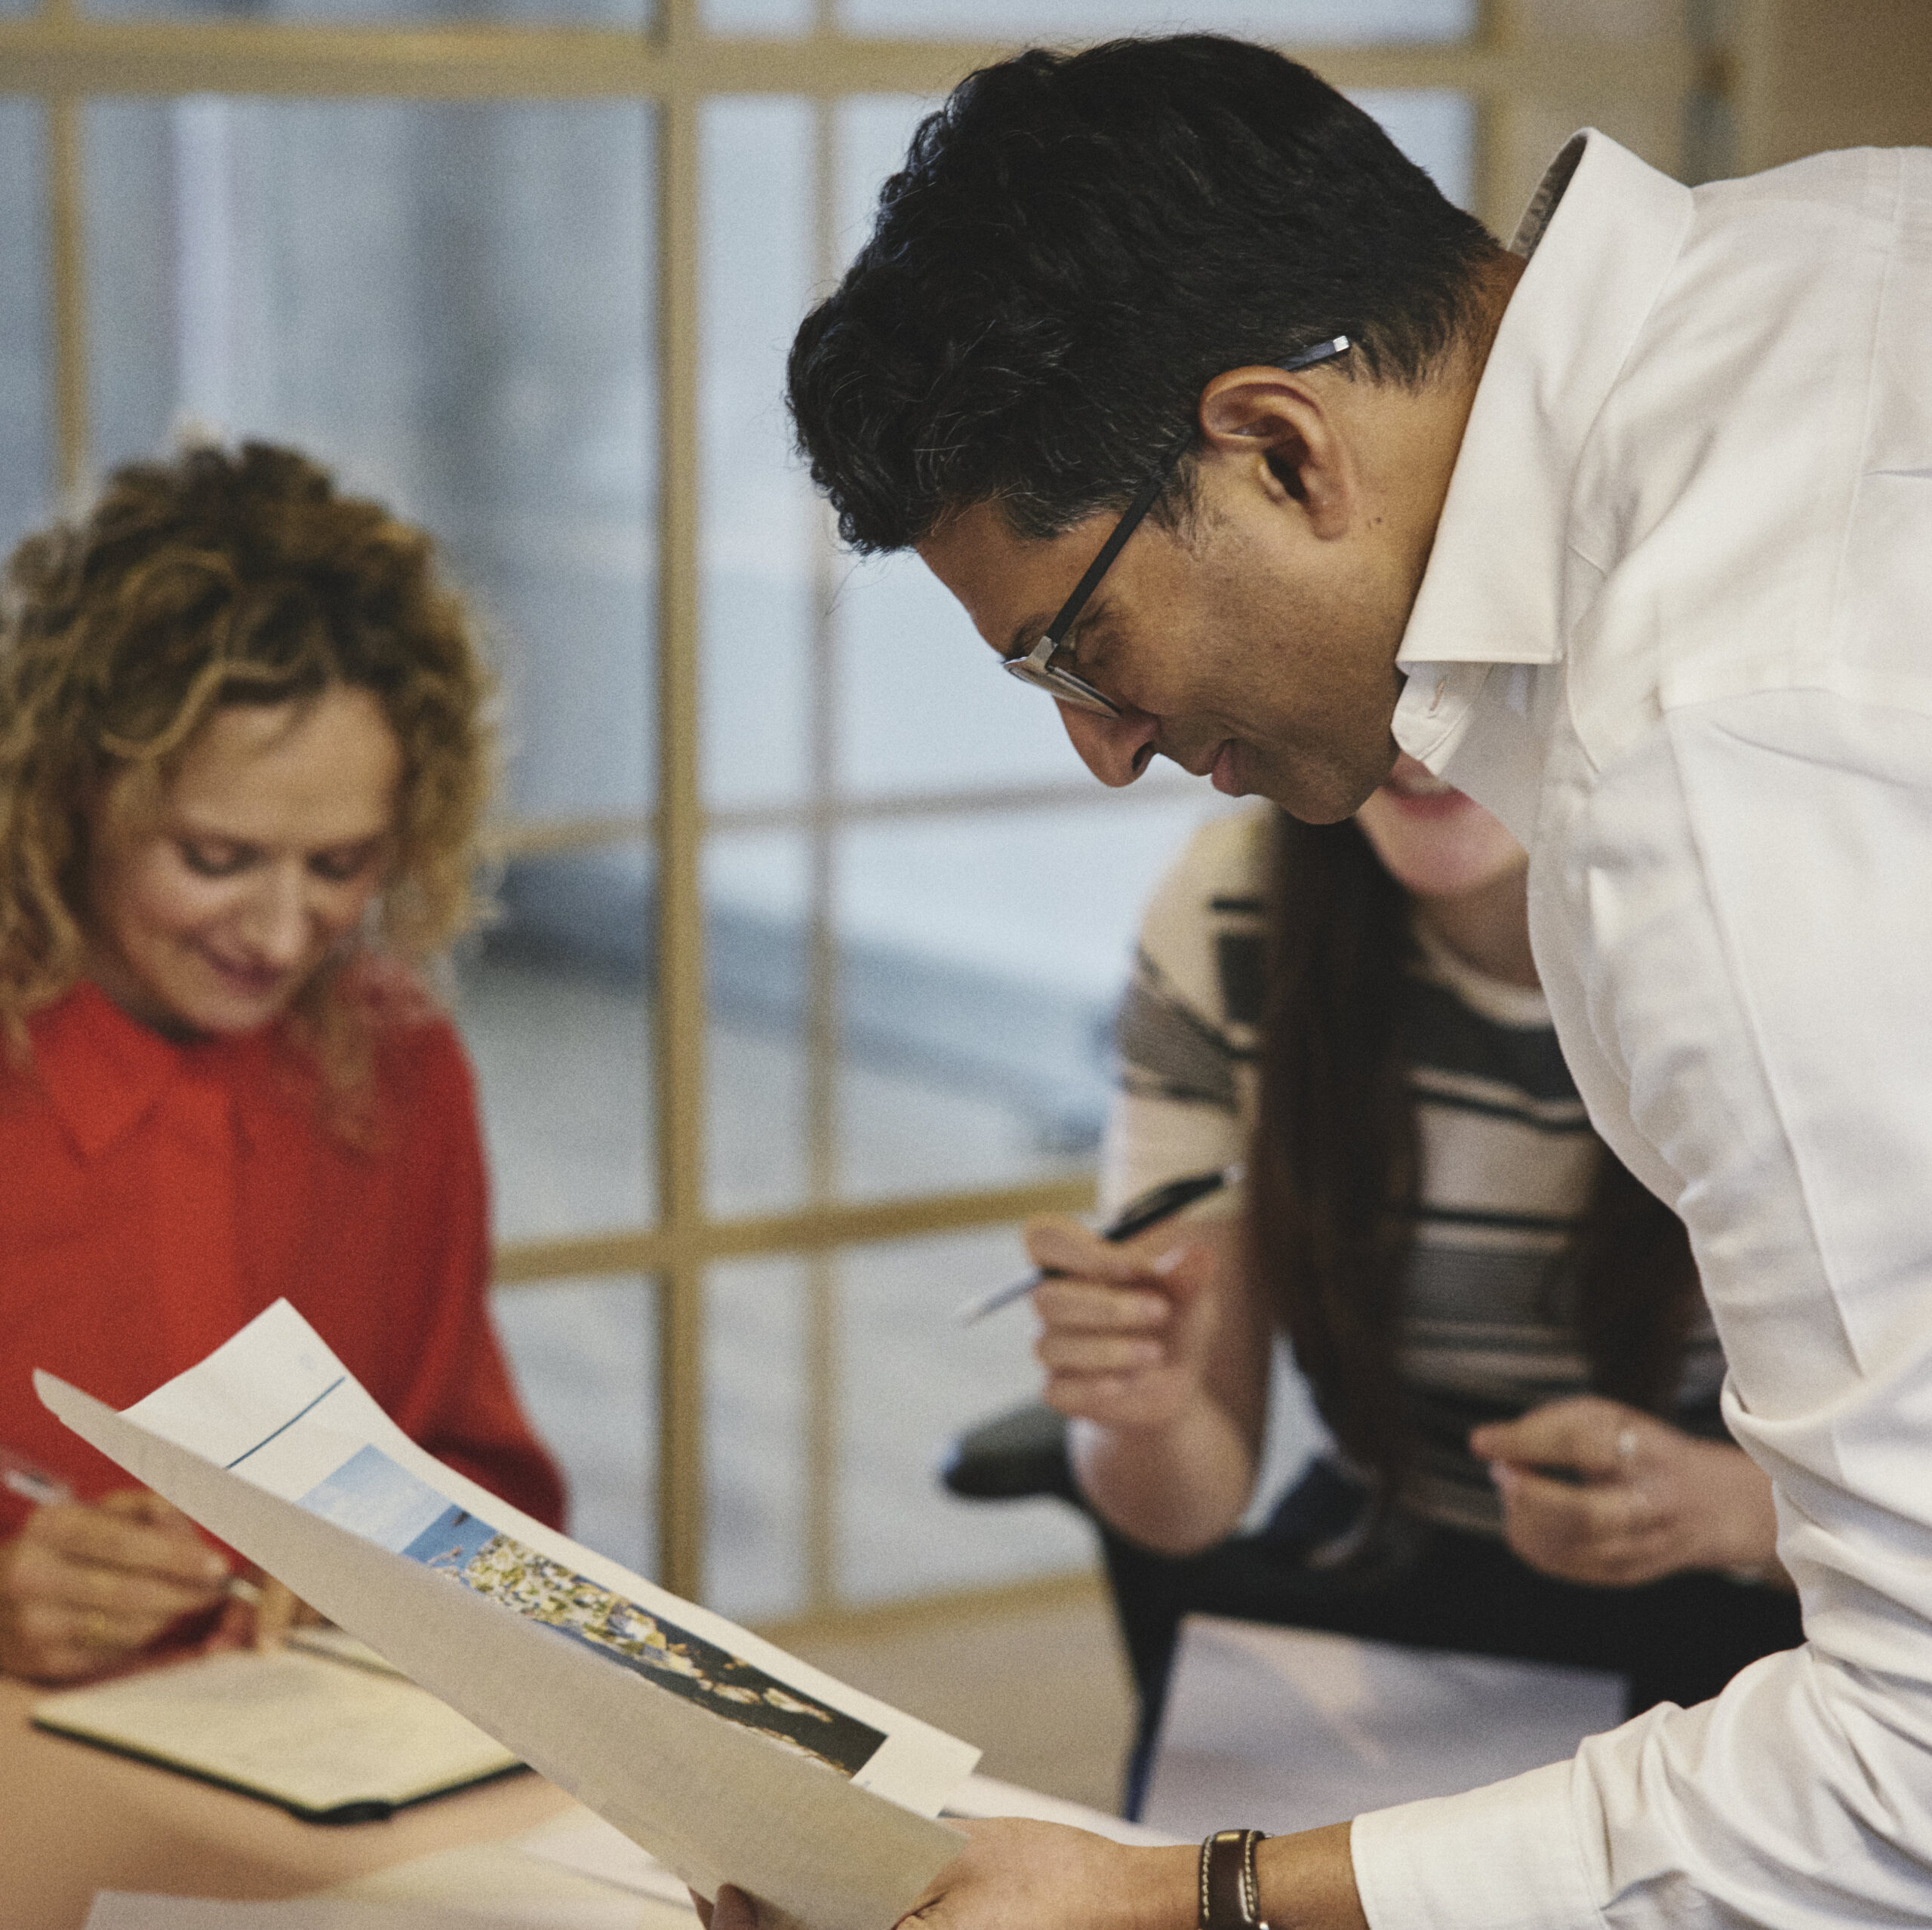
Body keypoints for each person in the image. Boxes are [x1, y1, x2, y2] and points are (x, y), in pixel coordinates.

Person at [765, 32, 1932, 1930]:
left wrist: (1186, 1901)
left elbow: (1909, 1770)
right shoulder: (1840, 242)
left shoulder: (1704, 767)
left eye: (1077, 648)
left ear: (1279, 447)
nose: (1107, 751)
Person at [1035, 769, 1798, 1812]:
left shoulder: (1791, 919)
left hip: (1759, 1609)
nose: (1421, 743)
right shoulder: (1234, 908)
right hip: (1385, 1559)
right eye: (1383, 669)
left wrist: (1735, 1511)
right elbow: (1187, 1505)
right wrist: (1142, 1405)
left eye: (1476, 672)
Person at [0, 441, 565, 1684]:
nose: (279, 933)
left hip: (316, 1758)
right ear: (73, 795)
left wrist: (395, 1589)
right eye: (215, 858)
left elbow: (486, 1505)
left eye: (341, 865)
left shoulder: (399, 1065)